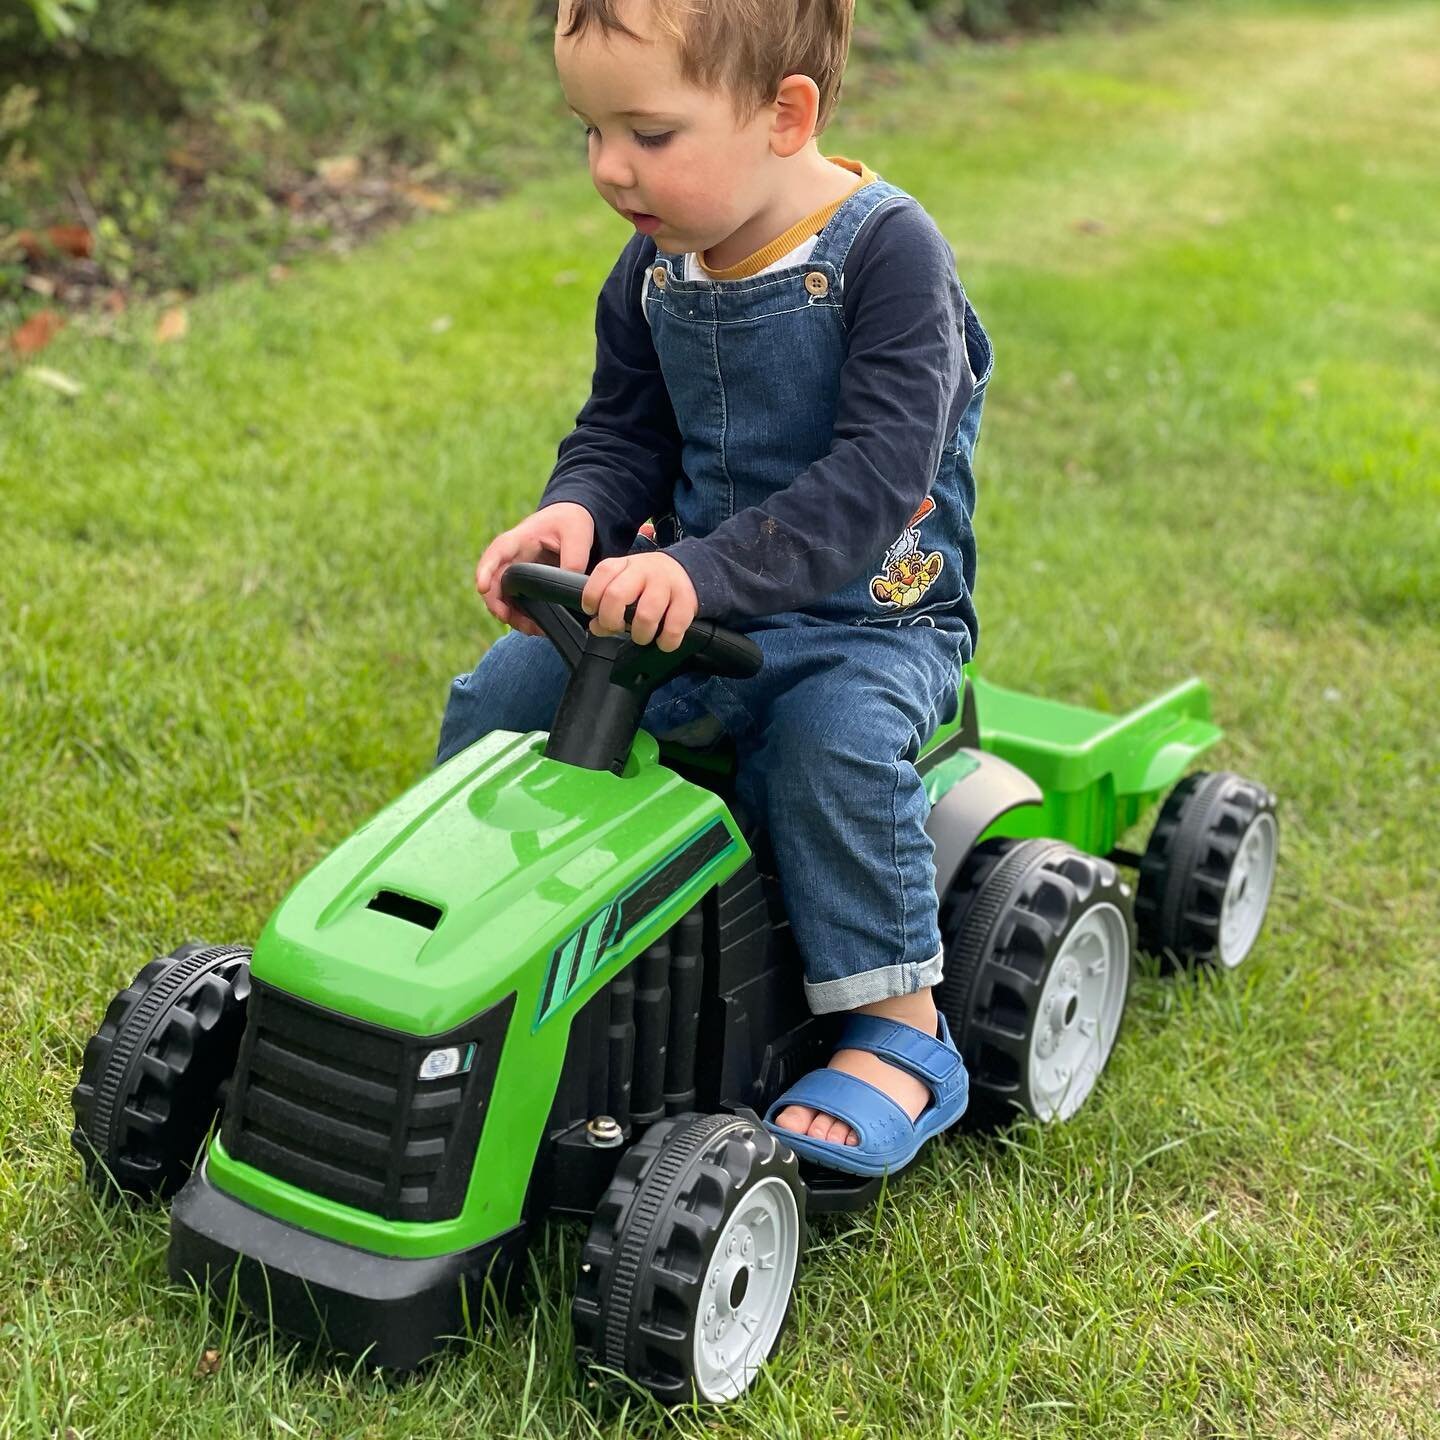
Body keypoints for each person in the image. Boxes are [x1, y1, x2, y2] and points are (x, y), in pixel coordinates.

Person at [436, 0, 993, 1177]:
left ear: (785, 114)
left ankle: (901, 1028)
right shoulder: (654, 265)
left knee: (828, 745)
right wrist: (579, 510)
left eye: (647, 133)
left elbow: (876, 479)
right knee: (507, 694)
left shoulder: (889, 259)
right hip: (681, 602)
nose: (608, 168)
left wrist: (699, 566)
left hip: (866, 624)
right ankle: (469, 954)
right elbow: (622, 431)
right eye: (586, 130)